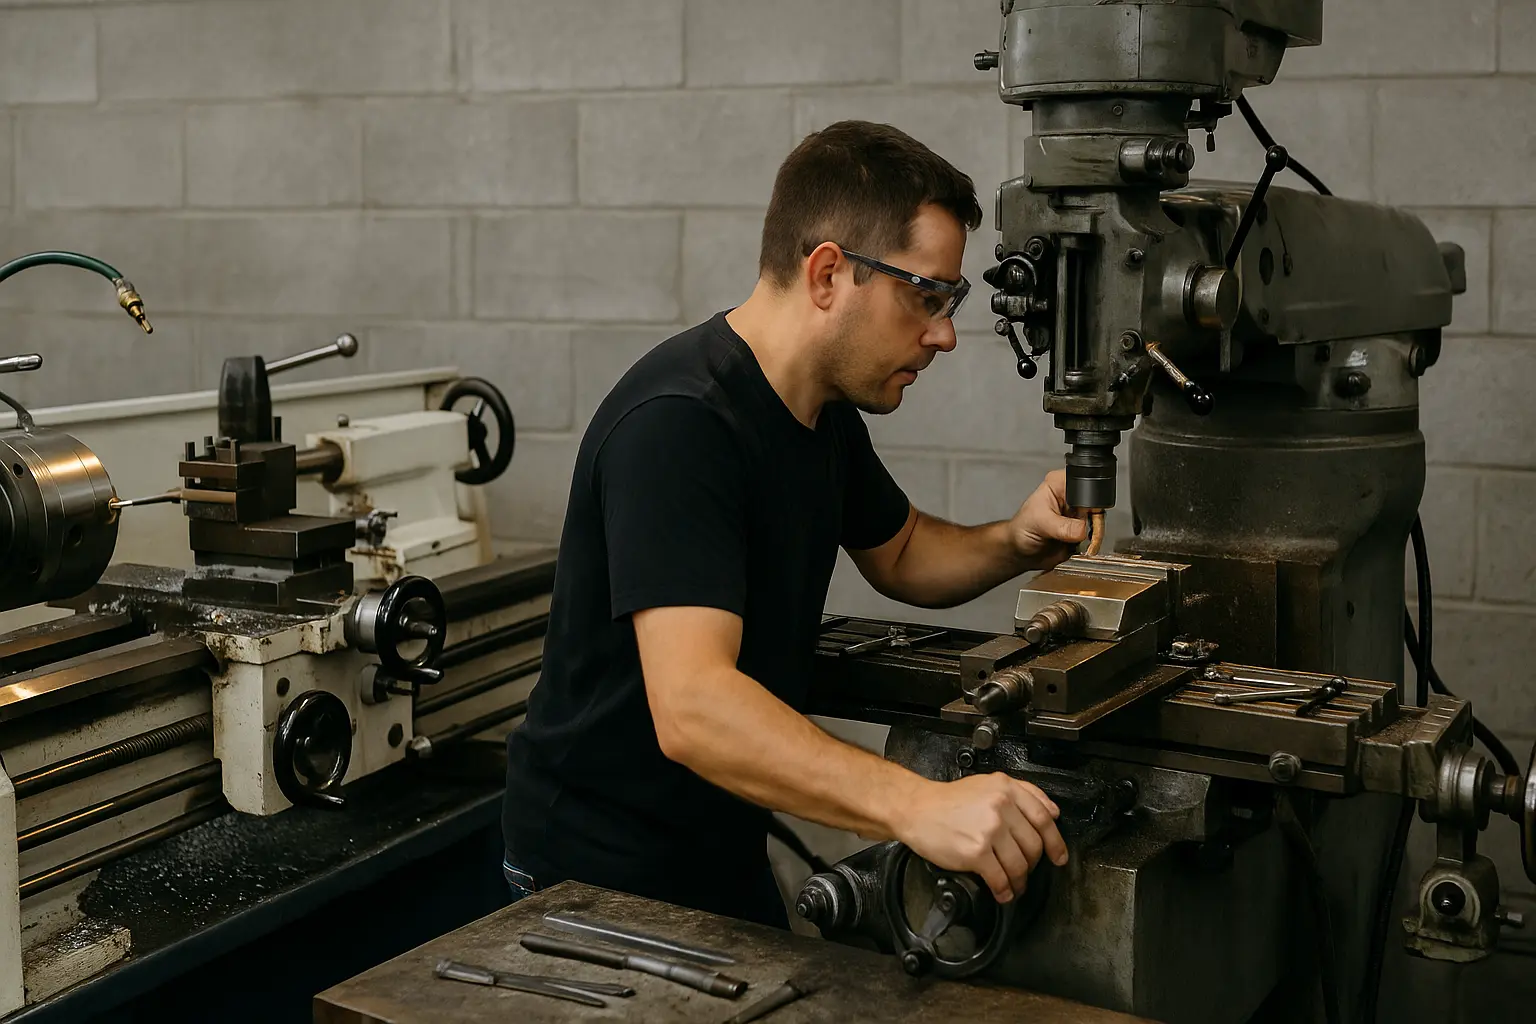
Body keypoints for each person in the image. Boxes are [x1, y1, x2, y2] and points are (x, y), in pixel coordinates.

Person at [501, 120, 1085, 928]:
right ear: (827, 274)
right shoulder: (680, 426)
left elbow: (905, 550)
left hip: (718, 841)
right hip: (598, 872)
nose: (946, 333)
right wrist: (917, 806)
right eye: (927, 296)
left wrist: (1014, 540)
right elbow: (695, 707)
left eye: (951, 303)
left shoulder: (819, 414)